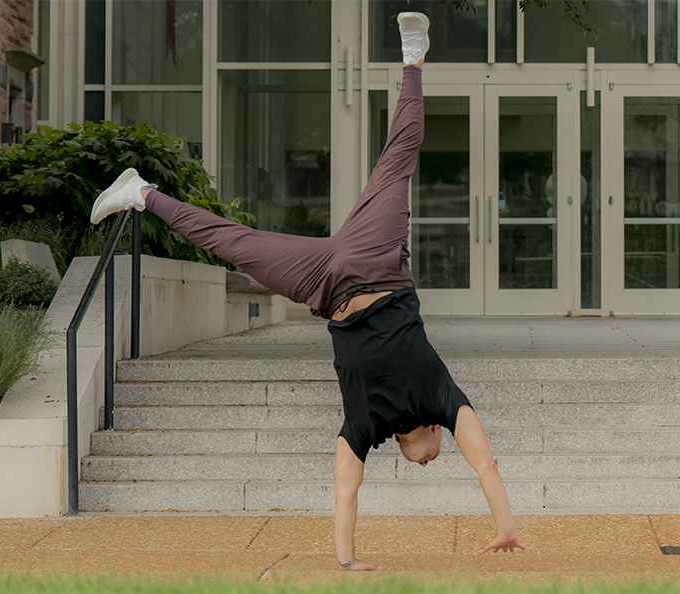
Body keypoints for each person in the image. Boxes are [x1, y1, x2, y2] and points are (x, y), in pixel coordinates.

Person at [90, 12, 524, 571]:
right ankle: (413, 59)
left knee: (236, 245)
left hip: (324, 283)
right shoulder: (442, 397)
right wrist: (506, 527)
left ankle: (141, 193)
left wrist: (346, 562)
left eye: (421, 464)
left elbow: (346, 495)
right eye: (431, 459)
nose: (424, 463)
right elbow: (484, 464)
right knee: (397, 162)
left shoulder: (365, 426)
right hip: (378, 262)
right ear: (437, 431)